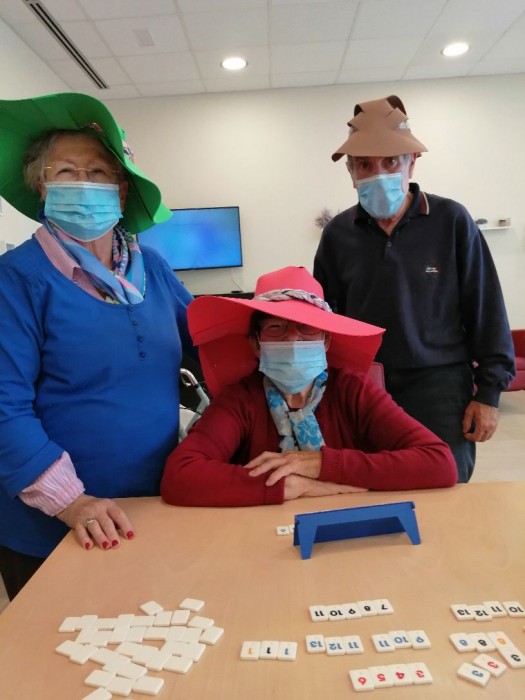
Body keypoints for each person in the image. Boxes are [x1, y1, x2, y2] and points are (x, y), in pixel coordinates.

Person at [0, 93, 194, 599]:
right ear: (41, 186)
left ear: (122, 191)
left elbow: (208, 348)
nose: (83, 183)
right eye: (66, 171)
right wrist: (72, 502)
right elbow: (4, 409)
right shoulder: (15, 280)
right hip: (52, 525)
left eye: (99, 172)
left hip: (153, 504)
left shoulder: (152, 268)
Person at [313, 95, 515, 483]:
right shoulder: (338, 235)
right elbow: (325, 319)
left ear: (412, 161)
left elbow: (486, 308)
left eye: (391, 161)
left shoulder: (451, 220)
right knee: (370, 484)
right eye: (364, 165)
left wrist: (489, 393)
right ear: (351, 171)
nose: (378, 174)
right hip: (364, 387)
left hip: (439, 385)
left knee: (443, 483)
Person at [161, 266, 457, 507]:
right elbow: (180, 476)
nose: (293, 340)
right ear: (255, 344)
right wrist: (291, 485)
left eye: (308, 327)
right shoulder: (241, 399)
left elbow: (439, 462)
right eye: (276, 328)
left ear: (326, 341)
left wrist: (319, 464)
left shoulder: (353, 391)